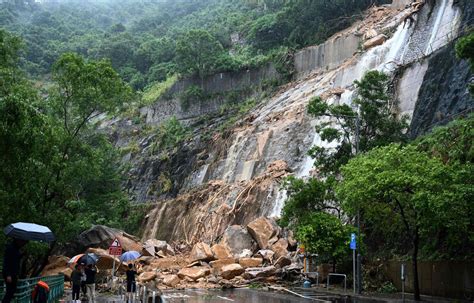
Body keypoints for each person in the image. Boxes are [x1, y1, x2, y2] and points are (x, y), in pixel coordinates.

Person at [2, 238, 27, 303]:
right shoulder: (10, 248)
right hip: (9, 274)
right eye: (23, 242)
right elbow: (6, 262)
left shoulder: (16, 248)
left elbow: (15, 259)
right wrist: (8, 275)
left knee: (12, 291)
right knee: (10, 292)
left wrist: (22, 255)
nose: (23, 244)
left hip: (14, 273)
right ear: (18, 240)